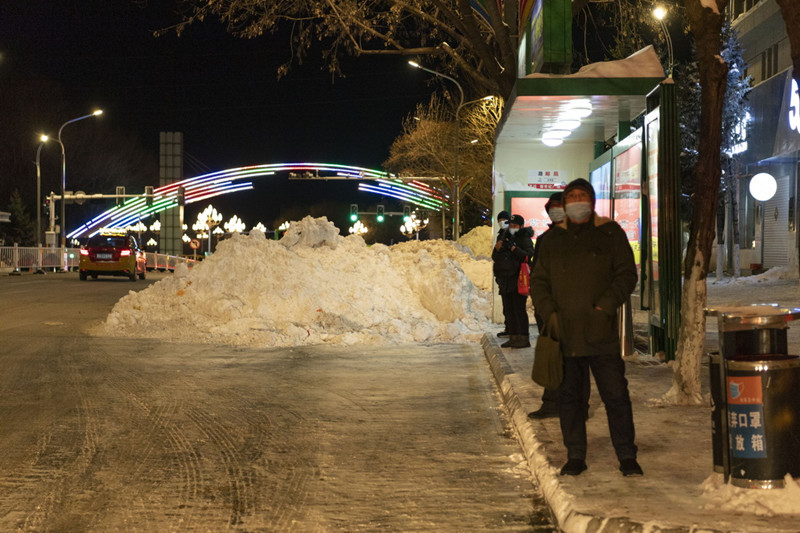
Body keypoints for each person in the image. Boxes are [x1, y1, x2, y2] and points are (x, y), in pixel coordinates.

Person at [531, 178, 642, 477]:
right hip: (565, 334)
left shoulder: (609, 233)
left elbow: (626, 275)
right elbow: (538, 282)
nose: (577, 200)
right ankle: (575, 455)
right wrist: (548, 311)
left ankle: (627, 455)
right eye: (572, 196)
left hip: (600, 332)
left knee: (616, 395)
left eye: (583, 195)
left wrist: (605, 306)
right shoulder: (553, 240)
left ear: (592, 201)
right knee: (570, 399)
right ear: (565, 203)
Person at [492, 214, 534, 348]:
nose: (512, 228)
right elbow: (495, 256)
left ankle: (523, 338)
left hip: (518, 279)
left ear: (521, 226)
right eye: (510, 225)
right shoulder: (504, 236)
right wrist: (497, 249)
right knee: (509, 310)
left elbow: (528, 256)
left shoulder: (524, 238)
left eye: (515, 226)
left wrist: (514, 248)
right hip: (505, 279)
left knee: (518, 309)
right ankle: (513, 336)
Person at [493, 211, 511, 339]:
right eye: (500, 220)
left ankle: (515, 331)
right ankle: (508, 328)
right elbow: (494, 255)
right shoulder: (500, 235)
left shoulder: (511, 235)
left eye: (504, 219)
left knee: (512, 306)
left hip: (510, 275)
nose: (502, 222)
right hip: (502, 276)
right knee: (506, 305)